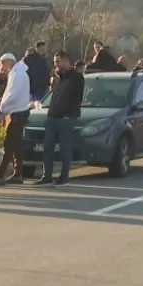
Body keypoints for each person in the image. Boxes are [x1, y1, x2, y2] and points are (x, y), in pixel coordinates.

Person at [37, 51, 84, 186]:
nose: (55, 64)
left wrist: (68, 114)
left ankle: (64, 177)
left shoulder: (76, 77)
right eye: (54, 62)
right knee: (48, 147)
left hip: (66, 119)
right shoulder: (59, 78)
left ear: (65, 61)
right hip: (52, 117)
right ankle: (47, 176)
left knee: (65, 148)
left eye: (57, 62)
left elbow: (77, 98)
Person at [0, 53, 31, 186]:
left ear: (8, 62)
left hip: (16, 113)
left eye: (2, 64)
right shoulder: (19, 72)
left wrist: (3, 106)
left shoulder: (17, 74)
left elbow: (12, 94)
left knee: (9, 144)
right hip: (19, 112)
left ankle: (0, 175)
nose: (2, 67)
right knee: (16, 145)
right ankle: (18, 174)